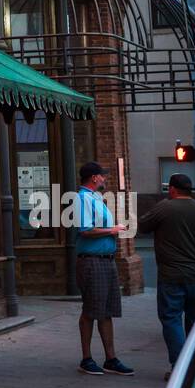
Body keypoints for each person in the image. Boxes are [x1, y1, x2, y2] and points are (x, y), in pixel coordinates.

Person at [137, 172, 195, 378]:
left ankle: (179, 366)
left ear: (172, 189)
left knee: (171, 319)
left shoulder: (164, 207)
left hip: (170, 276)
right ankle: (194, 366)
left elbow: (142, 226)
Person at [75, 161, 134, 376]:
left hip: (105, 260)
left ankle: (111, 358)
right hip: (92, 261)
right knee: (91, 310)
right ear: (94, 178)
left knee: (106, 311)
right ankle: (86, 358)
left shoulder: (96, 198)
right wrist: (112, 230)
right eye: (102, 175)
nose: (104, 178)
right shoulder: (82, 199)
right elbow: (85, 230)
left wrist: (114, 229)